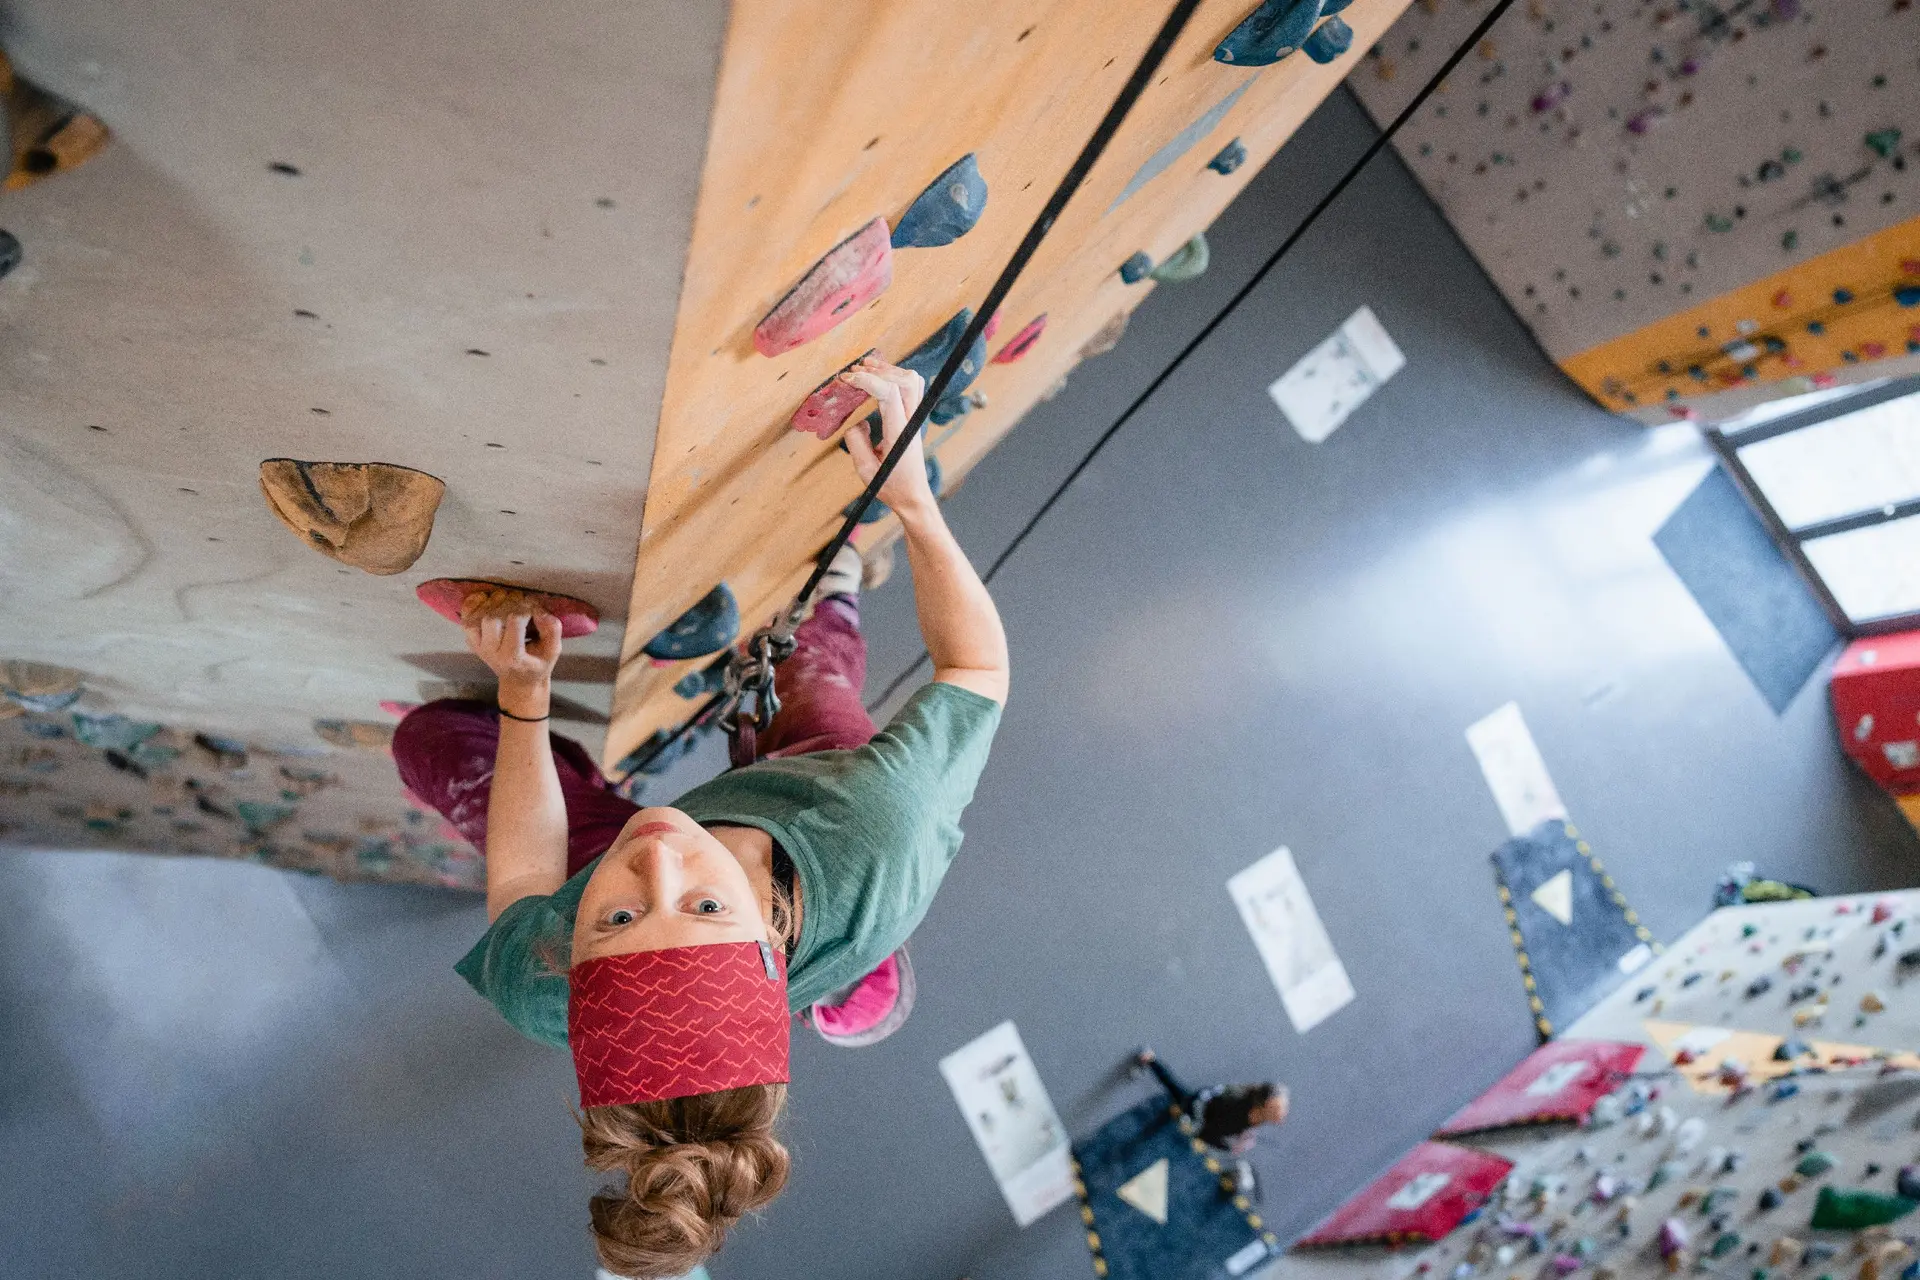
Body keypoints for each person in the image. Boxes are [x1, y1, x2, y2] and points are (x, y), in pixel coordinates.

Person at [393, 357, 1009, 1279]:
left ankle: (674, 890)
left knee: (431, 742)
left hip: (720, 899)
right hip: (814, 796)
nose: (659, 861)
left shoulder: (543, 985)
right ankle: (859, 980)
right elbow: (975, 673)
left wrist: (527, 695)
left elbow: (526, 878)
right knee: (810, 674)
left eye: (618, 919)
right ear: (773, 932)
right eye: (709, 911)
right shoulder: (881, 830)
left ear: (572, 961)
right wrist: (915, 500)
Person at [1133, 1048, 1290, 1200]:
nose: (1283, 1116)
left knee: (1178, 1093)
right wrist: (1230, 1148)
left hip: (1210, 1103)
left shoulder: (1257, 1113)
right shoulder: (1237, 1113)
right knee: (1177, 1094)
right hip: (1199, 1108)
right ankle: (1149, 1059)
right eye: (1278, 1110)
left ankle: (1151, 1061)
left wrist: (1243, 1134)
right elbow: (1205, 1134)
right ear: (1263, 1107)